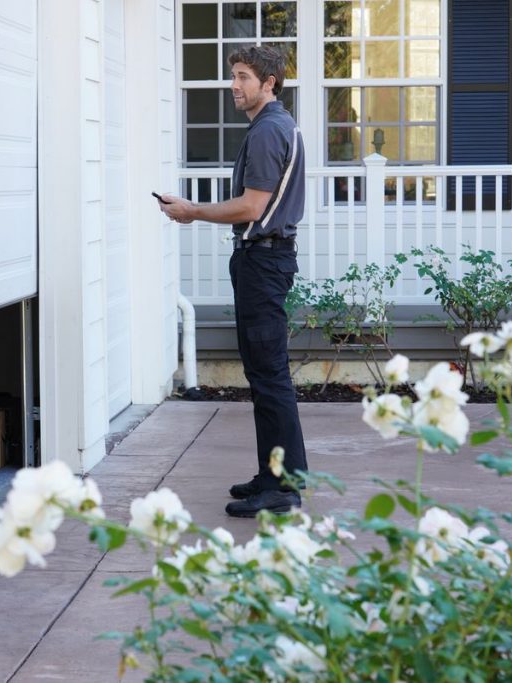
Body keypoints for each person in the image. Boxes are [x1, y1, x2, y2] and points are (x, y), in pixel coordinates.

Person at [158, 45, 308, 518]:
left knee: (269, 376)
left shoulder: (268, 132)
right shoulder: (275, 126)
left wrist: (192, 211)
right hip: (264, 262)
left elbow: (250, 208)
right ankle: (274, 474)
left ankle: (282, 488)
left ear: (270, 82)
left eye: (243, 76)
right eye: (234, 76)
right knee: (265, 376)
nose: (234, 85)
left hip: (263, 264)